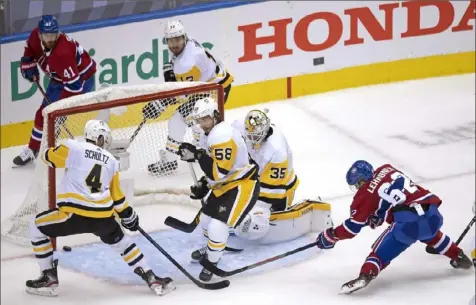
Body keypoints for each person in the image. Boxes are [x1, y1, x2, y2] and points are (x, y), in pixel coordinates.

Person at [26, 120, 175, 297]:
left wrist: (56, 147)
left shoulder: (74, 148)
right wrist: (128, 215)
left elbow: (47, 158)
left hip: (73, 215)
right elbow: (117, 197)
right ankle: (151, 277)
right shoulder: (111, 160)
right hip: (103, 218)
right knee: (123, 243)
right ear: (101, 138)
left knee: (35, 227)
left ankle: (48, 277)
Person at [316, 160, 473, 294]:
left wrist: (331, 235)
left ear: (361, 181)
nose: (357, 188)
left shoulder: (364, 195)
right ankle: (459, 257)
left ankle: (365, 275)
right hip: (433, 214)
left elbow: (352, 228)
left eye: (356, 184)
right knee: (429, 233)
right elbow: (390, 196)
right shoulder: (387, 169)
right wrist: (380, 214)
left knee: (379, 253)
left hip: (408, 225)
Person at [177, 97, 258, 282]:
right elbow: (214, 169)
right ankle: (214, 247)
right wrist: (204, 184)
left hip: (242, 185)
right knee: (205, 222)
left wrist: (197, 155)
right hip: (225, 185)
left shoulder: (222, 134)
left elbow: (219, 172)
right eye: (199, 120)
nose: (202, 123)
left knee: (217, 226)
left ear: (215, 115)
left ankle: (212, 262)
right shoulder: (209, 134)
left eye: (205, 118)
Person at [144, 19, 234, 175]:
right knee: (177, 121)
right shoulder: (185, 47)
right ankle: (171, 161)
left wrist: (160, 104)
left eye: (178, 39)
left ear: (184, 37)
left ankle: (209, 157)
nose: (174, 44)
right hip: (206, 86)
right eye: (171, 40)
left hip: (216, 89)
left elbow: (183, 94)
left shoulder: (186, 62)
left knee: (199, 123)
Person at [13, 15, 96, 167]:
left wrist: (59, 109)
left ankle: (52, 138)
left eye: (54, 35)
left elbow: (74, 87)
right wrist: (28, 63)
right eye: (47, 36)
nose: (51, 39)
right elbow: (29, 51)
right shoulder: (34, 37)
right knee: (42, 113)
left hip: (82, 79)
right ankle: (33, 150)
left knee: (52, 114)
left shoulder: (62, 54)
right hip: (59, 78)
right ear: (40, 34)